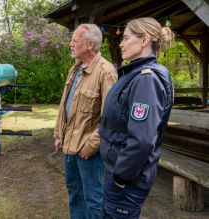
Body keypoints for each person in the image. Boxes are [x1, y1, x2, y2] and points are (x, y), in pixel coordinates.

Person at [99, 17, 174, 218]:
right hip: (117, 171)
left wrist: (120, 177)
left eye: (125, 38)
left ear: (144, 40)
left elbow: (142, 140)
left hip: (125, 181)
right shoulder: (135, 74)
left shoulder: (146, 79)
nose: (121, 43)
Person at [54, 24, 118, 219]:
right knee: (75, 194)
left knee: (93, 199)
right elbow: (64, 106)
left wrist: (91, 145)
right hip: (69, 146)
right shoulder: (74, 70)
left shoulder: (106, 72)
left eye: (75, 40)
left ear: (90, 44)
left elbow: (111, 119)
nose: (71, 43)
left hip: (89, 152)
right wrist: (59, 134)